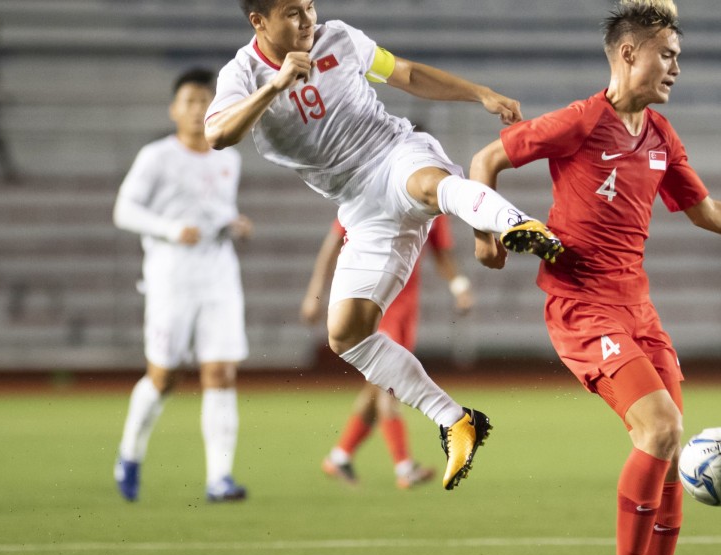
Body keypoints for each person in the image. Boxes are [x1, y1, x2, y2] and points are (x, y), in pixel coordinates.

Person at [470, 2, 721, 555]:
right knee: (663, 428)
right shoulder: (581, 121)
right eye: (666, 55)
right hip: (581, 304)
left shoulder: (662, 135)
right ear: (627, 53)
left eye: (678, 58)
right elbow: (486, 159)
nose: (675, 68)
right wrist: (484, 237)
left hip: (638, 308)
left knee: (667, 455)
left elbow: (707, 211)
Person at [205, 0, 563, 490]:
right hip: (358, 205)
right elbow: (217, 134)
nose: (308, 19)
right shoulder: (242, 74)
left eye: (310, 6)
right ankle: (457, 420)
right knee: (346, 333)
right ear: (258, 22)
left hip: (393, 152)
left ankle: (518, 225)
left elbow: (408, 74)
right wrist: (275, 85)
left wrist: (480, 93)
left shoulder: (339, 38)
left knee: (424, 185)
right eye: (292, 12)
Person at [112, 68, 252, 503]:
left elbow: (216, 212)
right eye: (189, 101)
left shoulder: (229, 157)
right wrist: (171, 229)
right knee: (164, 376)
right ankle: (130, 453)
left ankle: (219, 478)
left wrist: (233, 224)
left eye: (204, 102)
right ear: (174, 109)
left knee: (221, 372)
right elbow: (124, 210)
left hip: (219, 275)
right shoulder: (157, 157)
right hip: (171, 277)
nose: (196, 110)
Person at [301, 215, 473, 489]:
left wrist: (459, 286)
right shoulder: (371, 186)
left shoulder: (429, 196)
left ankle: (340, 455)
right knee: (385, 385)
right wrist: (315, 294)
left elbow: (441, 250)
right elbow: (333, 242)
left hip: (405, 306)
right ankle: (404, 466)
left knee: (377, 384)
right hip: (373, 299)